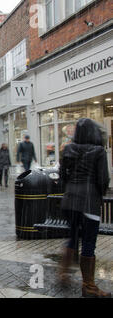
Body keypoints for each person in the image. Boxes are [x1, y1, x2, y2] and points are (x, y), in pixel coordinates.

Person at [58, 118, 111, 298]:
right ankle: (88, 286)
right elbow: (103, 179)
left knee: (73, 237)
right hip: (89, 203)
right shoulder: (98, 151)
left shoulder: (68, 149)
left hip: (69, 201)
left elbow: (62, 176)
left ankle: (63, 273)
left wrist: (69, 190)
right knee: (89, 243)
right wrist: (98, 194)